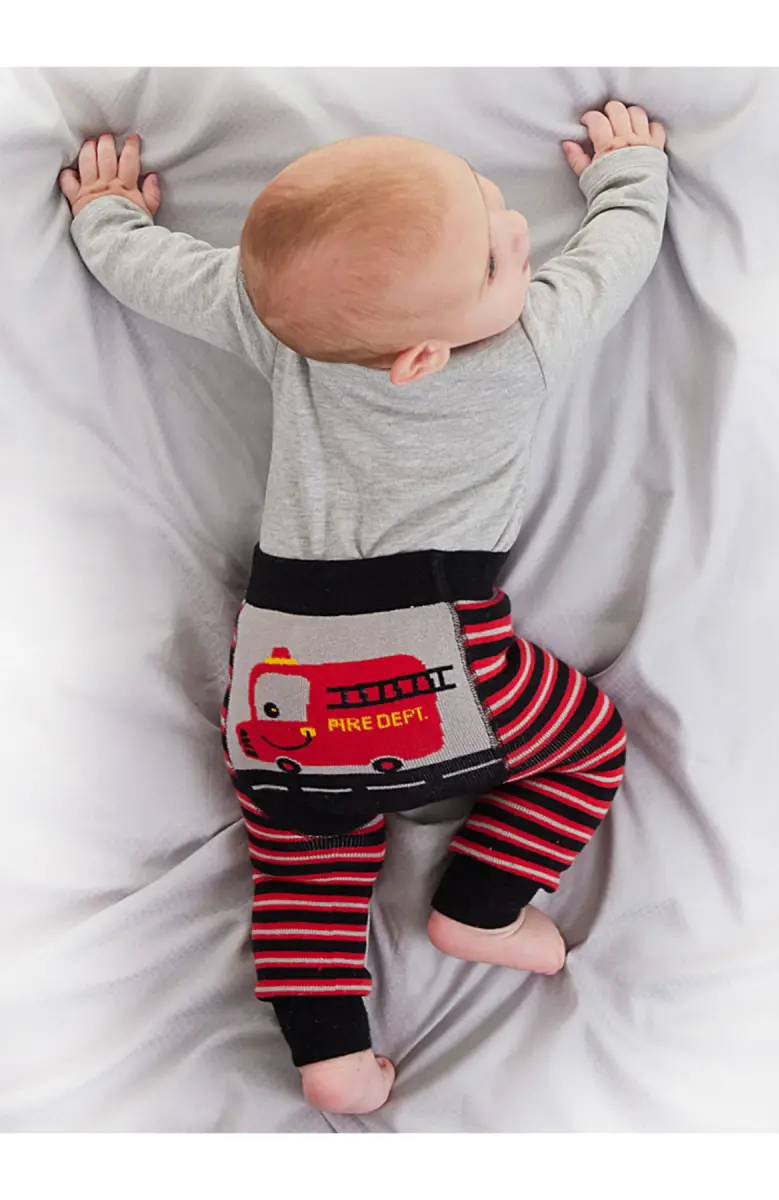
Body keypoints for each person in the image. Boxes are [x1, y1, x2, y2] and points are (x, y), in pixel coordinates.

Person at [59, 100, 668, 1115]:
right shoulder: (526, 342)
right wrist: (630, 175)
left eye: (486, 199)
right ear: (420, 357)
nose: (518, 228)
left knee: (304, 870)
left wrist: (104, 215)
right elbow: (616, 257)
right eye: (495, 256)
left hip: (279, 689)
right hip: (447, 670)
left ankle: (331, 1056)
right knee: (588, 744)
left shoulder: (285, 333)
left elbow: (154, 274)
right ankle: (481, 904)